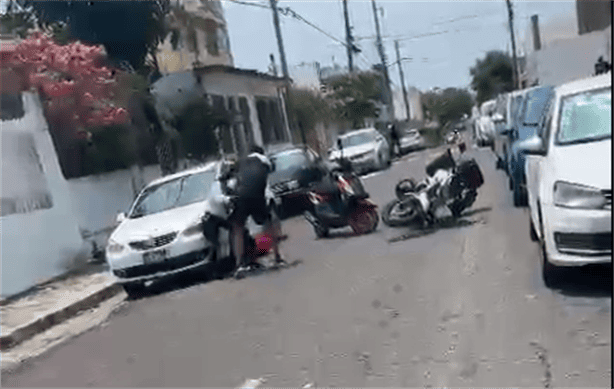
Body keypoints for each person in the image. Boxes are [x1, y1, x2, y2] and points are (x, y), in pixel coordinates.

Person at [230, 145, 285, 277]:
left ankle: (240, 265)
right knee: (268, 223)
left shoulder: (241, 162)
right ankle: (277, 257)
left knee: (237, 228)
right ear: (261, 152)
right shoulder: (264, 160)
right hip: (257, 195)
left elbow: (232, 181)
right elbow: (271, 171)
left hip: (241, 195)